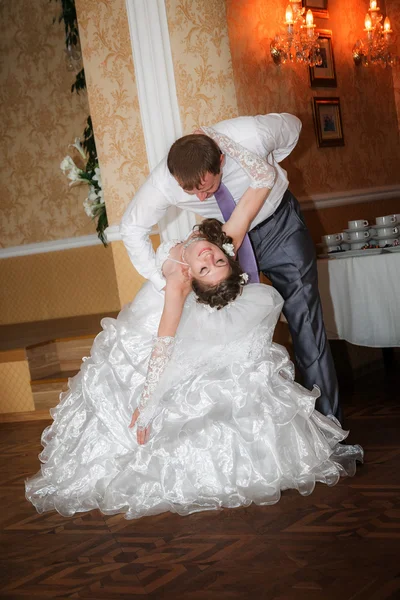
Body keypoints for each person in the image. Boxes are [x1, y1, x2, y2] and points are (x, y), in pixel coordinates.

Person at [25, 176, 362, 520]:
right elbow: (256, 191)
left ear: (193, 278)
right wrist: (225, 148)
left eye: (207, 266)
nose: (211, 258)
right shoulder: (221, 243)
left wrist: (148, 400)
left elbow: (165, 339)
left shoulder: (179, 279)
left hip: (156, 328)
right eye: (218, 262)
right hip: (143, 322)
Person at [120, 114, 342, 423]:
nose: (200, 198)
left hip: (278, 227)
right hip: (222, 245)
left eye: (206, 187)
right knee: (240, 347)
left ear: (221, 161)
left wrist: (261, 155)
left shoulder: (251, 133)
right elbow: (131, 228)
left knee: (306, 323)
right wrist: (169, 279)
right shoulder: (168, 189)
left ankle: (327, 425)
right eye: (190, 192)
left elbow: (294, 128)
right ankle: (265, 426)